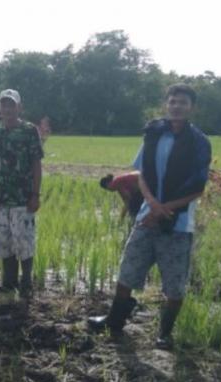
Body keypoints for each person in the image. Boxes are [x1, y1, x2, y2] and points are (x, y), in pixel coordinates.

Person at [88, 84, 212, 350]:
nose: (177, 106)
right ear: (166, 104)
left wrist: (164, 208)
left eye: (183, 102)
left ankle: (165, 334)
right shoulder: (154, 134)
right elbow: (143, 174)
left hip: (178, 224)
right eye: (173, 101)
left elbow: (198, 187)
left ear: (192, 108)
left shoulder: (199, 142)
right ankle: (114, 321)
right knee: (127, 271)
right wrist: (153, 205)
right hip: (147, 217)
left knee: (175, 285)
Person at [0, 89, 44, 296]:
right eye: (4, 104)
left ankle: (26, 283)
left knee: (24, 241)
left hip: (23, 198)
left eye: (12, 105)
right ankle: (8, 282)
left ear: (19, 107)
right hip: (0, 197)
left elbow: (36, 163)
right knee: (3, 241)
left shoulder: (29, 131)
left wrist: (35, 194)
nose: (8, 109)